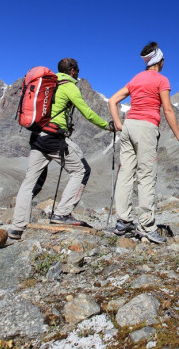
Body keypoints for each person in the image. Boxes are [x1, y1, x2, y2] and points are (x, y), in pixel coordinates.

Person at [8, 58, 113, 240]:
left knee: (29, 181)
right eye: (77, 70)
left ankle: (17, 226)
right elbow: (87, 112)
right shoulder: (69, 87)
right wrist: (107, 126)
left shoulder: (50, 84)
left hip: (37, 137)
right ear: (72, 71)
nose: (78, 73)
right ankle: (62, 213)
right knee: (81, 170)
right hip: (54, 138)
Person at [108, 42, 179, 244]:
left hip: (129, 126)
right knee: (146, 176)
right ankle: (146, 225)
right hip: (146, 128)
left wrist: (119, 124)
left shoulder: (136, 78)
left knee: (126, 173)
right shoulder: (161, 80)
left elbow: (112, 100)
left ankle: (123, 221)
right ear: (160, 61)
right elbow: (168, 110)